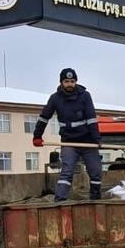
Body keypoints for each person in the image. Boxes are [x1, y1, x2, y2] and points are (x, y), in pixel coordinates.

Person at [33, 67, 102, 201]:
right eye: (66, 81)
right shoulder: (55, 98)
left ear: (75, 81)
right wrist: (37, 136)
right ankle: (59, 200)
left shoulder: (85, 96)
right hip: (69, 141)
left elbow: (92, 119)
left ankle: (96, 199)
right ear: (61, 82)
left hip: (88, 141)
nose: (69, 84)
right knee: (67, 171)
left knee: (95, 171)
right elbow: (44, 118)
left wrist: (97, 139)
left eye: (72, 81)